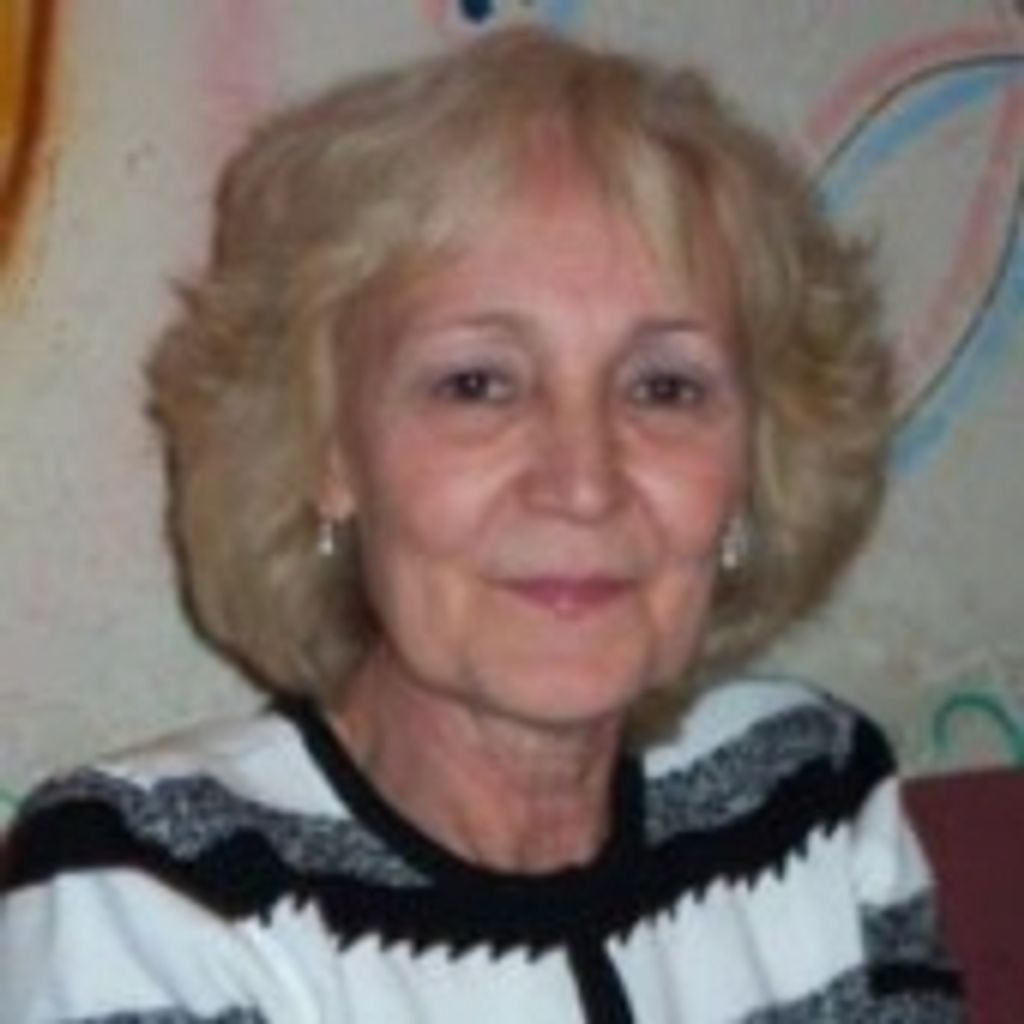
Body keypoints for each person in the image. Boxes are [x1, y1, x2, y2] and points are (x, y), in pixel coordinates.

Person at [0, 27, 964, 1023]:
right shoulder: (162, 890)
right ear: (328, 454)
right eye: (477, 383)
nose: (582, 483)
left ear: (755, 458)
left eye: (664, 387)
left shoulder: (808, 794)